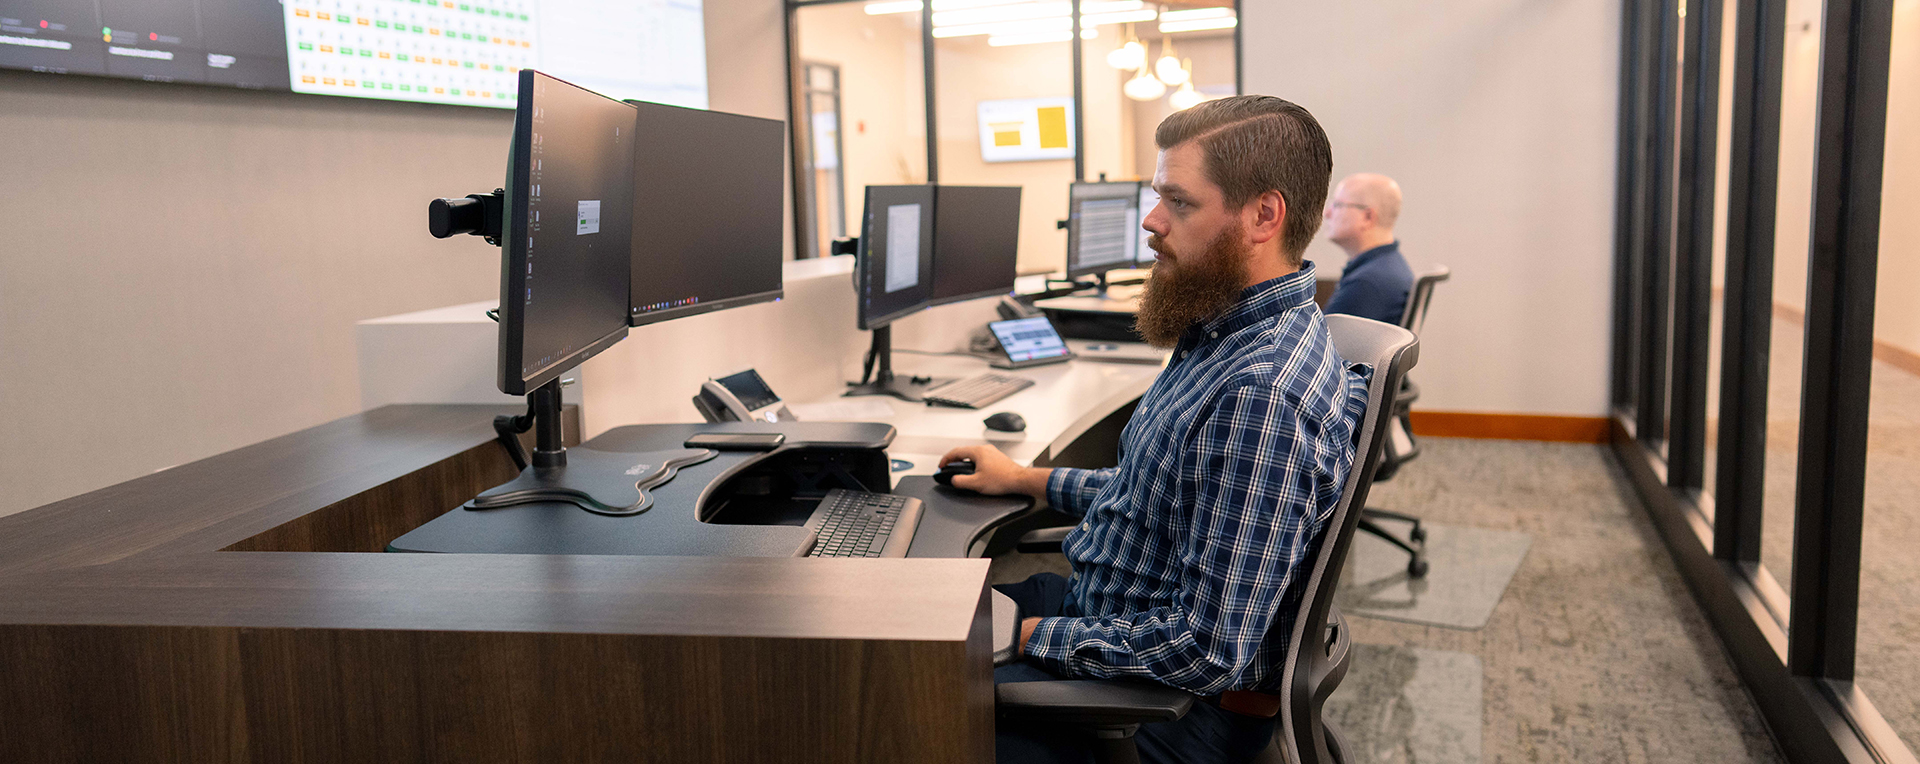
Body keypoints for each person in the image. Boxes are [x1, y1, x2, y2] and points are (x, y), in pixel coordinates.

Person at [940, 95, 1373, 764]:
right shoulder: (1225, 328)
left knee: (885, 704)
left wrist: (1029, 637)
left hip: (1160, 711)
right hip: (1106, 616)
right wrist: (1024, 478)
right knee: (908, 619)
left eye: (1180, 202)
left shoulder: (1259, 395)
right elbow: (1157, 493)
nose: (1151, 221)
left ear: (1264, 215)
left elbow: (1206, 649)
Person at [1321, 173, 1414, 325]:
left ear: (1367, 217)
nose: (1327, 213)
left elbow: (1320, 346)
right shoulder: (1386, 268)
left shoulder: (1367, 284)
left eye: (1337, 205)